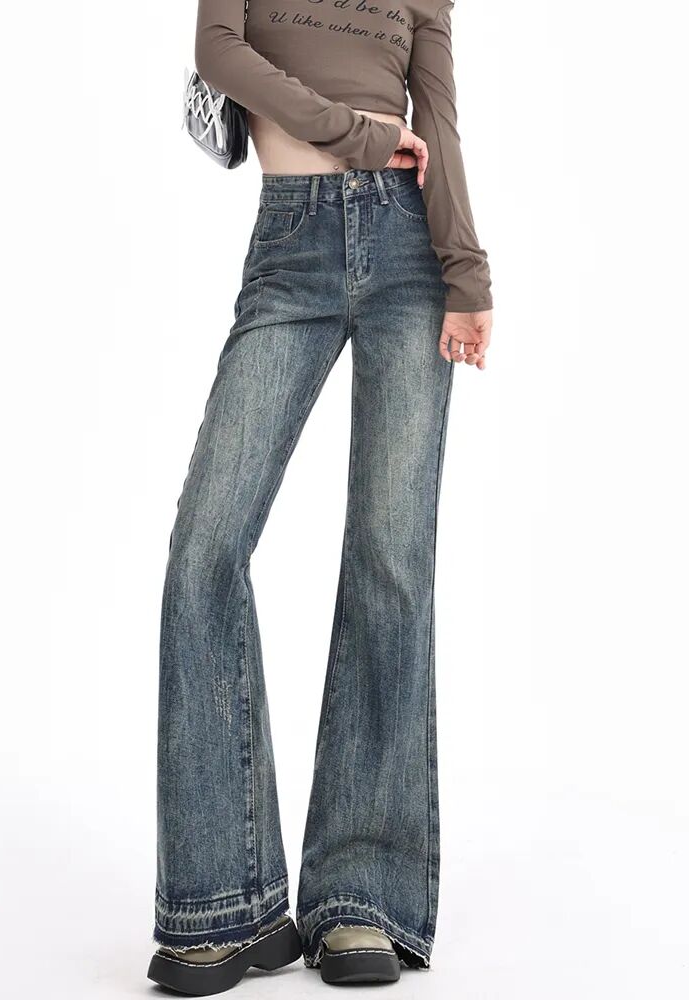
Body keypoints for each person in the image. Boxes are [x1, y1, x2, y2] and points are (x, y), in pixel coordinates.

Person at [147, 0, 493, 993]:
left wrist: (467, 271)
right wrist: (357, 135)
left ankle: (361, 895)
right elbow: (219, 50)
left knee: (391, 560)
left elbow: (439, 118)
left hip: (409, 253)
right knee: (205, 550)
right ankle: (226, 903)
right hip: (290, 243)